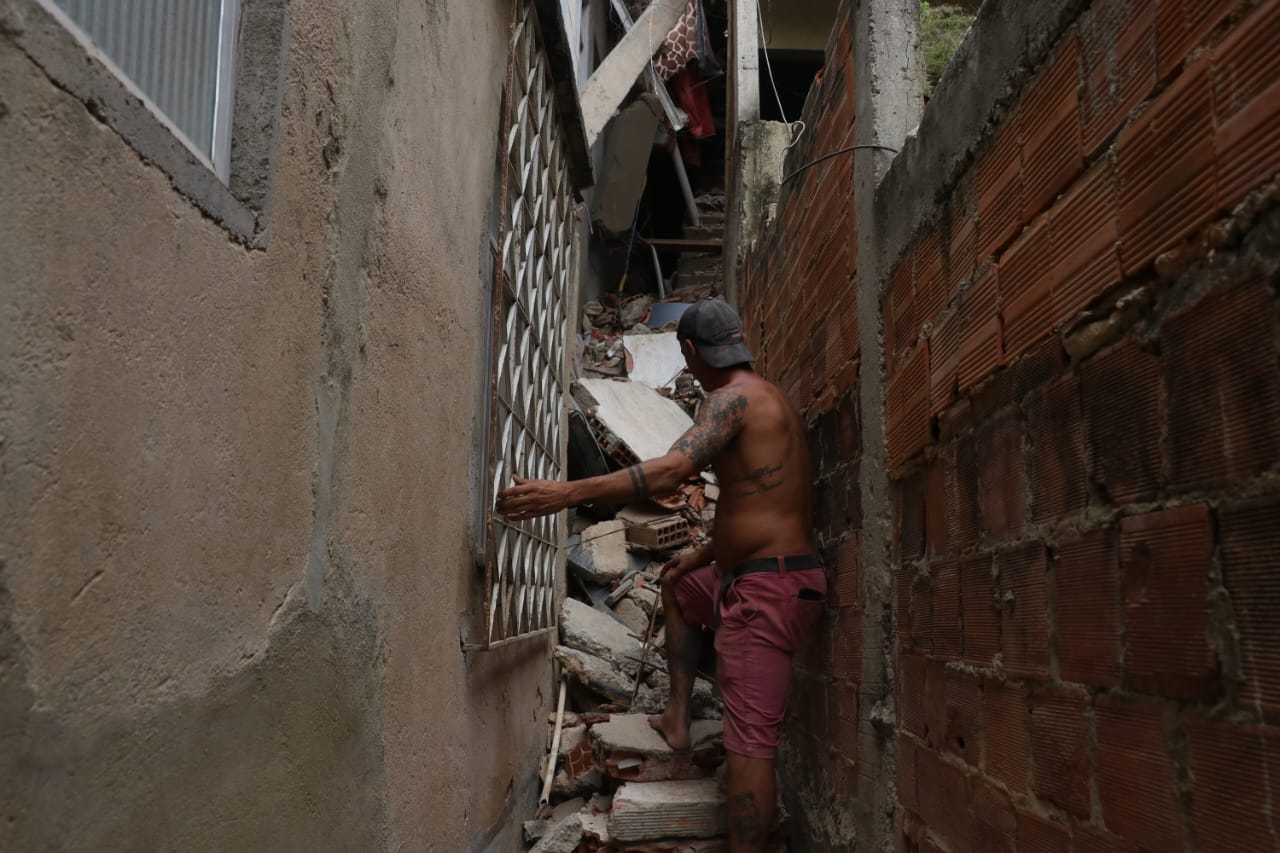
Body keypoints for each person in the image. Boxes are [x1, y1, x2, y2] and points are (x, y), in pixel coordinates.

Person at [496, 298, 826, 852]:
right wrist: (698, 557)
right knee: (677, 583)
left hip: (768, 590)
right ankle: (676, 717)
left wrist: (563, 493)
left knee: (750, 746)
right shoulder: (769, 398)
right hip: (764, 573)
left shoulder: (729, 402)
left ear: (691, 352)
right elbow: (759, 502)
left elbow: (674, 470)